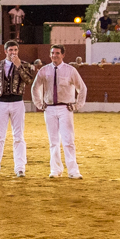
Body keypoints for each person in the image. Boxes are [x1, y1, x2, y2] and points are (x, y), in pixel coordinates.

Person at [31, 44, 88, 179]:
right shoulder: (44, 70)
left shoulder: (70, 70)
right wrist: (39, 104)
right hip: (49, 108)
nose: (54, 55)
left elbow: (82, 88)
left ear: (63, 55)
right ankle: (55, 169)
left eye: (57, 53)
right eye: (52, 53)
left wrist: (77, 105)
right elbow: (35, 87)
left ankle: (73, 171)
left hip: (65, 108)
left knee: (68, 140)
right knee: (53, 141)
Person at [0, 40, 36, 177]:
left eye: (15, 50)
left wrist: (19, 66)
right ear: (5, 51)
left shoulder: (24, 65)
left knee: (19, 137)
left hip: (18, 103)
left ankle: (20, 169)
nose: (13, 52)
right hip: (1, 104)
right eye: (11, 50)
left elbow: (30, 81)